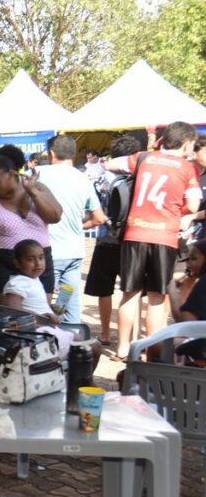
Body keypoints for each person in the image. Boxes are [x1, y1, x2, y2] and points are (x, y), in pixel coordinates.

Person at [104, 121, 202, 358]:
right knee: (157, 297)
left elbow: (110, 164)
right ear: (186, 143)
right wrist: (175, 210)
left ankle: (123, 348)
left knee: (130, 293)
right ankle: (152, 350)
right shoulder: (187, 168)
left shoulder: (143, 158)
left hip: (135, 233)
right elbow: (192, 205)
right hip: (164, 235)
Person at [0, 145, 63, 304]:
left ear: (12, 174)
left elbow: (55, 216)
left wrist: (33, 192)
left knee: (40, 311)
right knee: (9, 314)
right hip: (2, 263)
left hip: (39, 260)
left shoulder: (38, 189)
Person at [38, 135, 106, 323]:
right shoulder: (83, 178)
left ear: (51, 153)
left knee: (41, 307)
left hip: (47, 254)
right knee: (69, 305)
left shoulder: (38, 174)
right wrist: (78, 226)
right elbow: (99, 218)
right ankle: (73, 337)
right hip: (74, 253)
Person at [84, 135, 142, 346]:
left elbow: (94, 208)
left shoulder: (104, 178)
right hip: (133, 240)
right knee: (133, 291)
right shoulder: (141, 177)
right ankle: (134, 338)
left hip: (106, 239)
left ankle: (106, 333)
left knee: (104, 290)